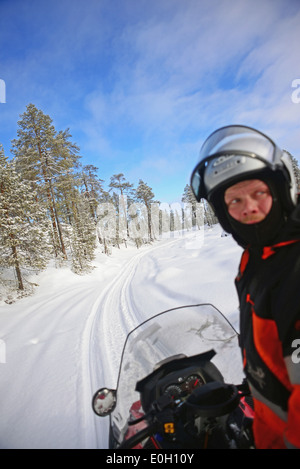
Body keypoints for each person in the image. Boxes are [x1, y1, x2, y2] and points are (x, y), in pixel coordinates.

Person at [190, 125, 300, 449]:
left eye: (258, 193)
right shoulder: (256, 256)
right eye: (234, 199)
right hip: (267, 424)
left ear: (281, 190)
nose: (247, 208)